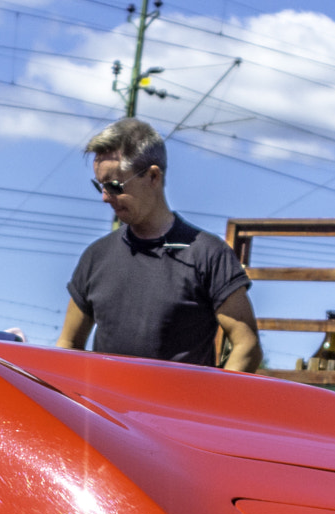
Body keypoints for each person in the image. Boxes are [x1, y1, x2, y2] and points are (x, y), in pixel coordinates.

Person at [57, 118, 261, 370]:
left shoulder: (208, 254)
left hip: (176, 409)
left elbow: (247, 345)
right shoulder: (96, 256)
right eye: (99, 186)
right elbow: (67, 343)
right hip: (106, 409)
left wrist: (211, 405)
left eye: (114, 186)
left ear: (153, 176)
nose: (105, 197)